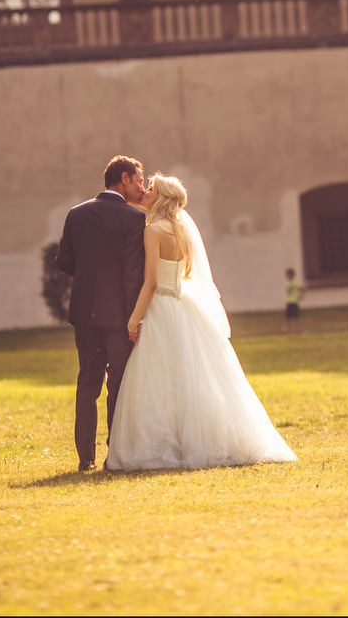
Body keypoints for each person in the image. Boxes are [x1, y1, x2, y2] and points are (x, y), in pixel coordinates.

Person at [105, 173, 297, 471]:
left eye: (151, 189)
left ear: (161, 198)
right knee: (195, 376)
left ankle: (166, 444)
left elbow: (152, 283)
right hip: (184, 307)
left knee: (160, 378)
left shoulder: (154, 230)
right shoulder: (181, 229)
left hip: (161, 308)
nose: (144, 191)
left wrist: (133, 320)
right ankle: (203, 439)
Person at [55, 154, 148, 473]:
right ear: (123, 179)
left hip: (84, 313)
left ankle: (85, 457)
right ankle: (115, 454)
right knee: (118, 385)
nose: (141, 186)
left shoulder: (76, 213)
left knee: (87, 383)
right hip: (118, 316)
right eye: (138, 180)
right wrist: (134, 317)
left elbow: (63, 262)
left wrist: (89, 274)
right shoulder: (133, 219)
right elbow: (133, 274)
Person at [283, 267, 304, 333]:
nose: (287, 276)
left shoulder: (296, 283)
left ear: (292, 275)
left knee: (297, 316)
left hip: (294, 301)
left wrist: (300, 296)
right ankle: (287, 329)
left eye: (289, 275)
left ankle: (299, 329)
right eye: (287, 275)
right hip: (288, 301)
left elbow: (302, 289)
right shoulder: (287, 283)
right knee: (287, 317)